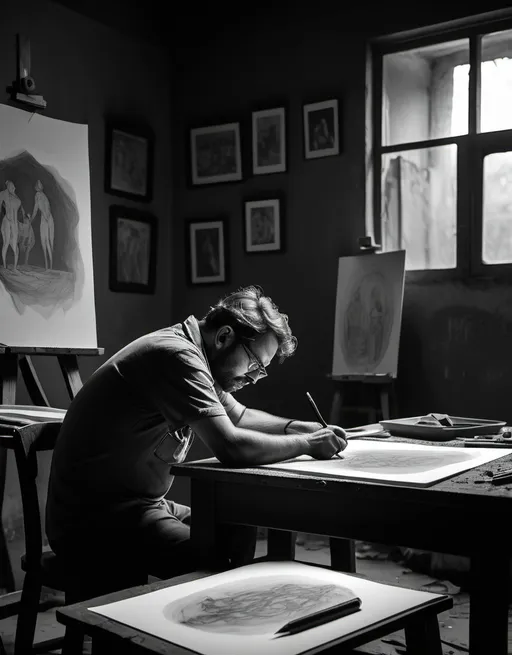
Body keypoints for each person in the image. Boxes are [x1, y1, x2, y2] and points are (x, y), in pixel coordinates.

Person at [46, 285, 347, 601]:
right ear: (224, 337)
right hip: (95, 519)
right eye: (255, 365)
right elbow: (231, 445)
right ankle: (194, 634)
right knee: (219, 562)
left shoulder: (198, 355)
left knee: (237, 528)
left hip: (140, 505)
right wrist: (308, 443)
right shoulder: (178, 357)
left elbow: (240, 416)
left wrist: (294, 427)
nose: (255, 378)